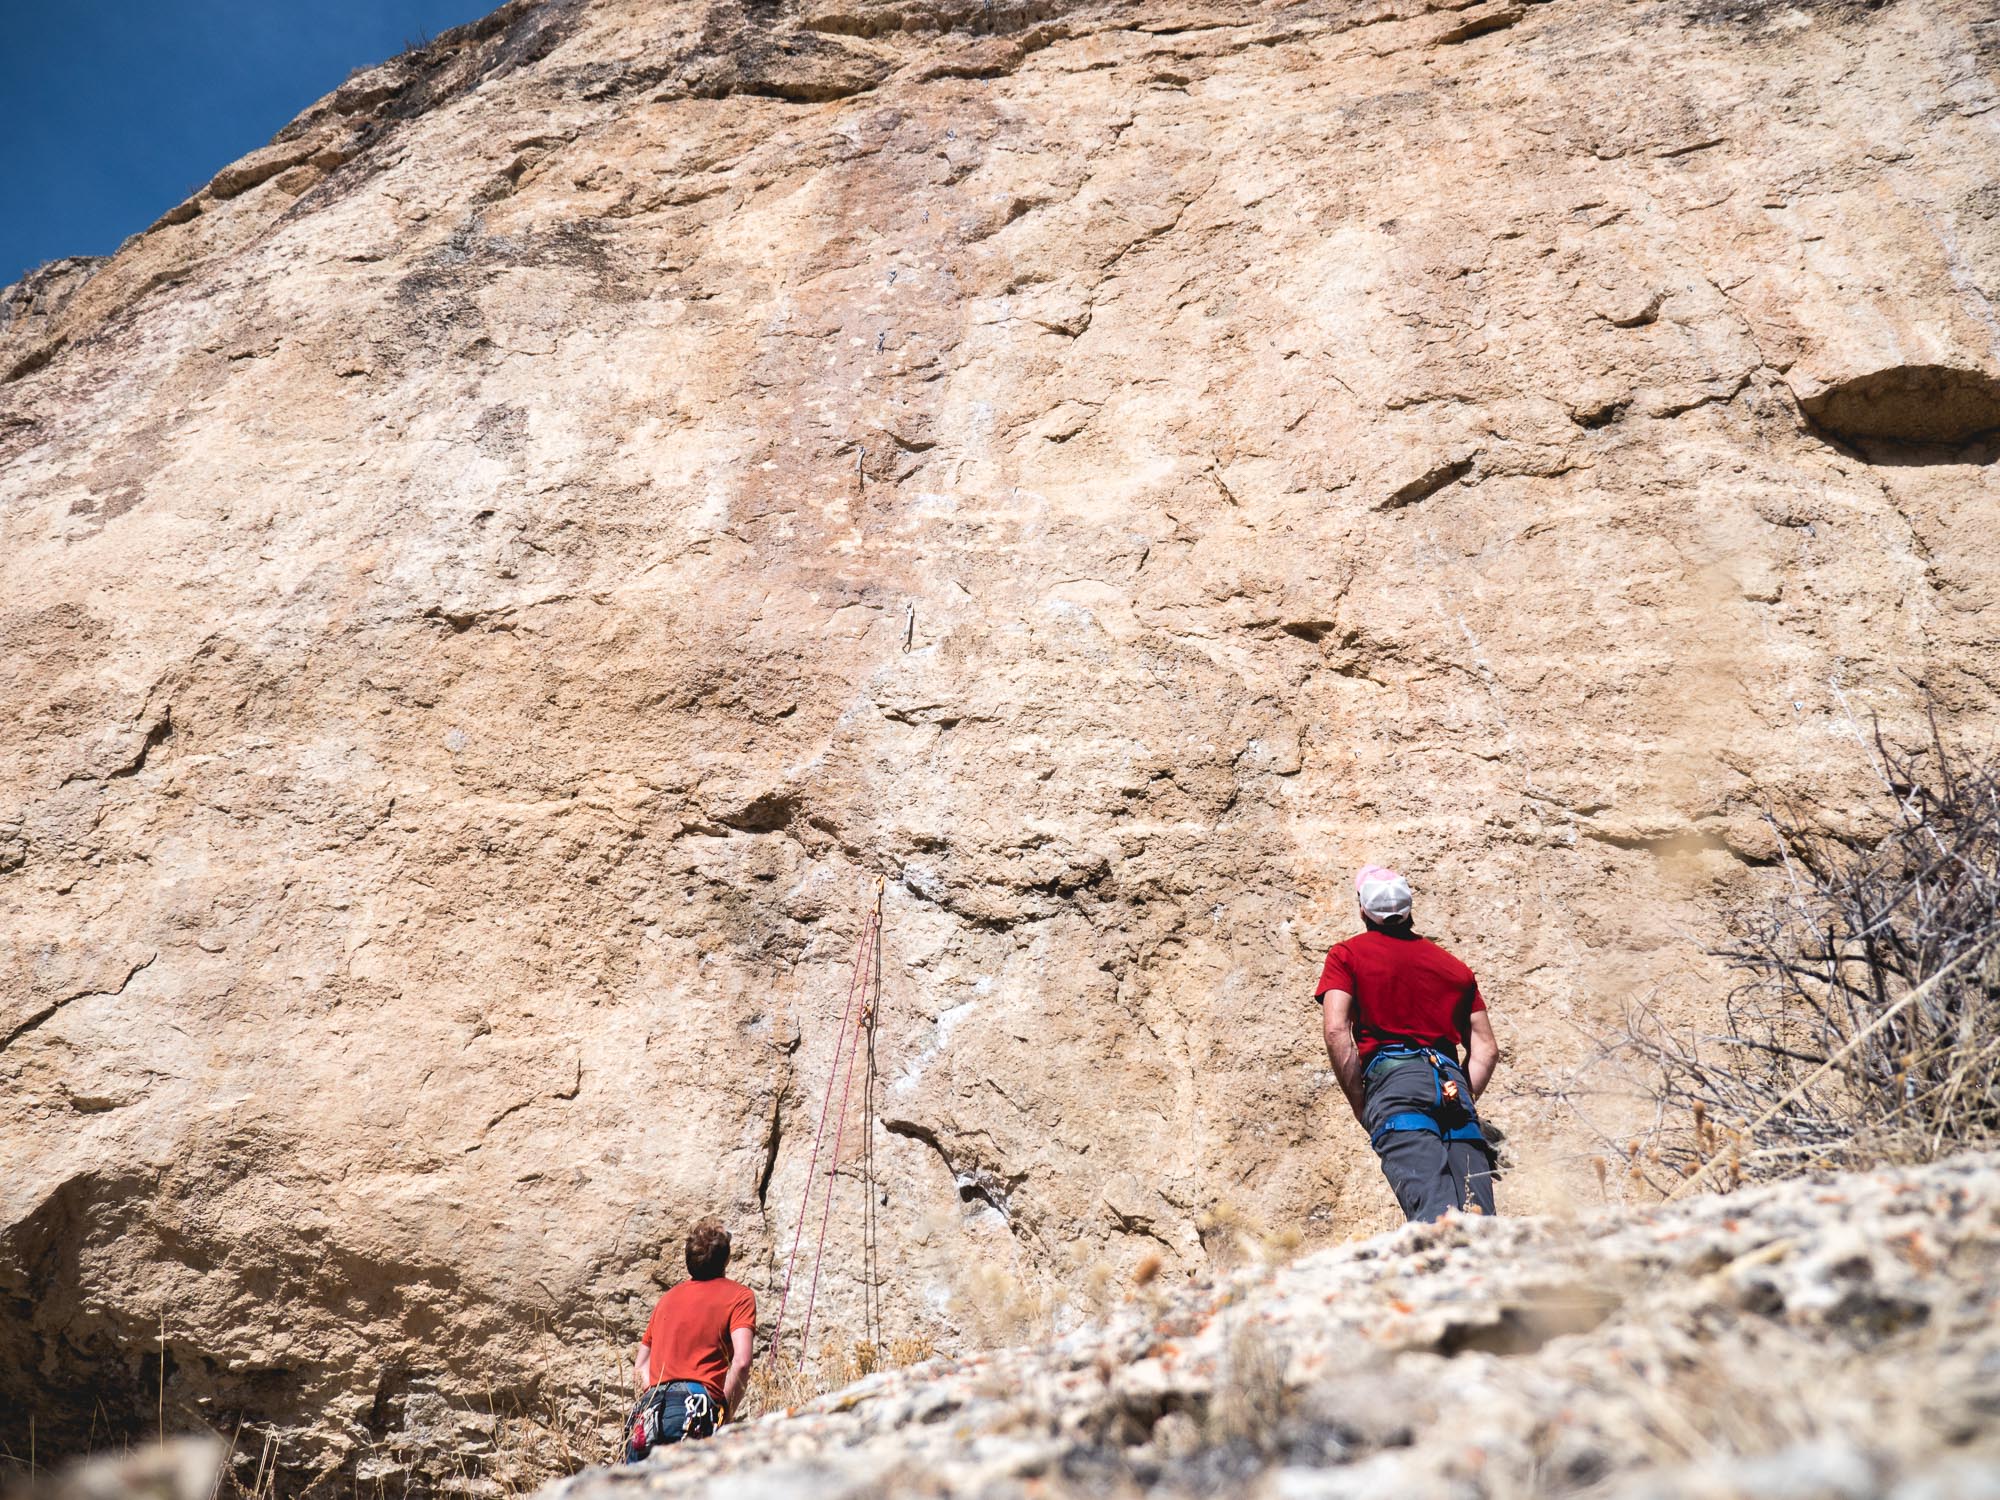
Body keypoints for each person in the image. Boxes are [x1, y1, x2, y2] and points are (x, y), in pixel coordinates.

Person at [1315, 865, 1499, 1221]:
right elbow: (1485, 1048)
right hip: (1452, 1086)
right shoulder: (1454, 967)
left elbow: (1337, 1031)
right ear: (1410, 910)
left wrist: (1361, 1103)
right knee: (1479, 1216)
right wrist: (1463, 1097)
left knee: (1434, 1214)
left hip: (1396, 1084)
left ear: (1363, 910)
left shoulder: (1347, 955)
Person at [625, 1221, 756, 1462]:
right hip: (695, 1405)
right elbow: (742, 1361)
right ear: (726, 1259)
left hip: (649, 1409)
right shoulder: (739, 1296)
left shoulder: (667, 1299)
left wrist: (658, 1392)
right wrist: (724, 1410)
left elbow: (640, 1366)